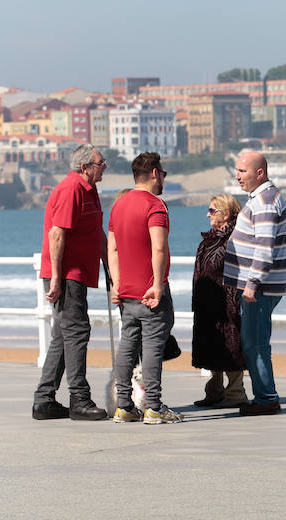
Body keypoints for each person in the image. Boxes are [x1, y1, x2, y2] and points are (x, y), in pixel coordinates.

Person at [32, 144, 109, 421]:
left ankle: (44, 400)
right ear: (84, 167)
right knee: (77, 331)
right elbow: (56, 235)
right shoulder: (70, 189)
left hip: (77, 273)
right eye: (101, 163)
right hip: (66, 274)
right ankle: (79, 399)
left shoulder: (90, 191)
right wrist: (55, 278)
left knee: (64, 335)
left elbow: (97, 232)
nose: (105, 167)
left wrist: (110, 266)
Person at [108, 152, 182, 424]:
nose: (163, 178)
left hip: (126, 291)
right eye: (162, 173)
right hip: (149, 291)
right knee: (152, 346)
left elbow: (112, 248)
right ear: (154, 173)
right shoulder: (155, 206)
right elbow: (158, 247)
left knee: (127, 345)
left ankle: (125, 406)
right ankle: (153, 407)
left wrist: (116, 283)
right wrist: (158, 284)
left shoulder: (119, 205)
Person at [224, 151, 286, 416]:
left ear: (259, 173)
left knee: (255, 343)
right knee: (256, 340)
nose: (237, 176)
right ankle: (265, 396)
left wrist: (252, 283)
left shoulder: (264, 201)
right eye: (237, 171)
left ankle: (266, 398)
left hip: (259, 288)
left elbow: (265, 246)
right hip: (259, 286)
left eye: (242, 171)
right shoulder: (263, 198)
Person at [191, 194, 249, 407]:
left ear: (226, 214)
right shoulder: (211, 237)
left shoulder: (235, 237)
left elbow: (241, 269)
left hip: (226, 302)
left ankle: (235, 393)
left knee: (231, 346)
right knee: (211, 345)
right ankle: (214, 390)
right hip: (207, 301)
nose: (208, 214)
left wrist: (234, 301)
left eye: (212, 210)